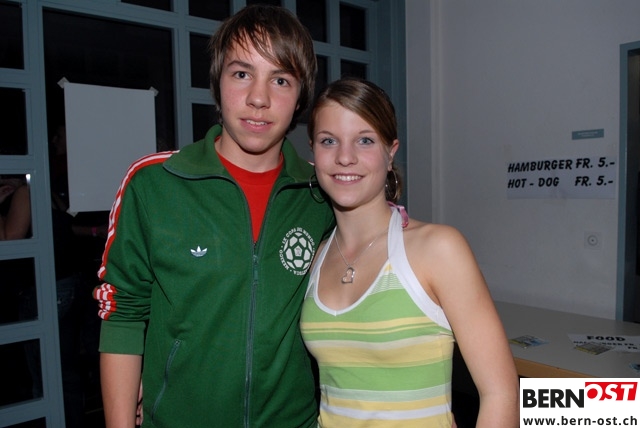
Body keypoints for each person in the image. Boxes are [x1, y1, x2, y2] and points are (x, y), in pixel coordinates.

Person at [93, 5, 334, 428]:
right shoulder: (155, 183)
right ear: (217, 83)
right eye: (241, 74)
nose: (259, 98)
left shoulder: (322, 194)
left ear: (301, 97)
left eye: (280, 80)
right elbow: (122, 314)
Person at [300, 78, 519, 427]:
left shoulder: (438, 249)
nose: (344, 157)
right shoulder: (316, 257)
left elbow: (502, 393)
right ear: (313, 152)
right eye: (329, 141)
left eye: (365, 140)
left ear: (390, 153)